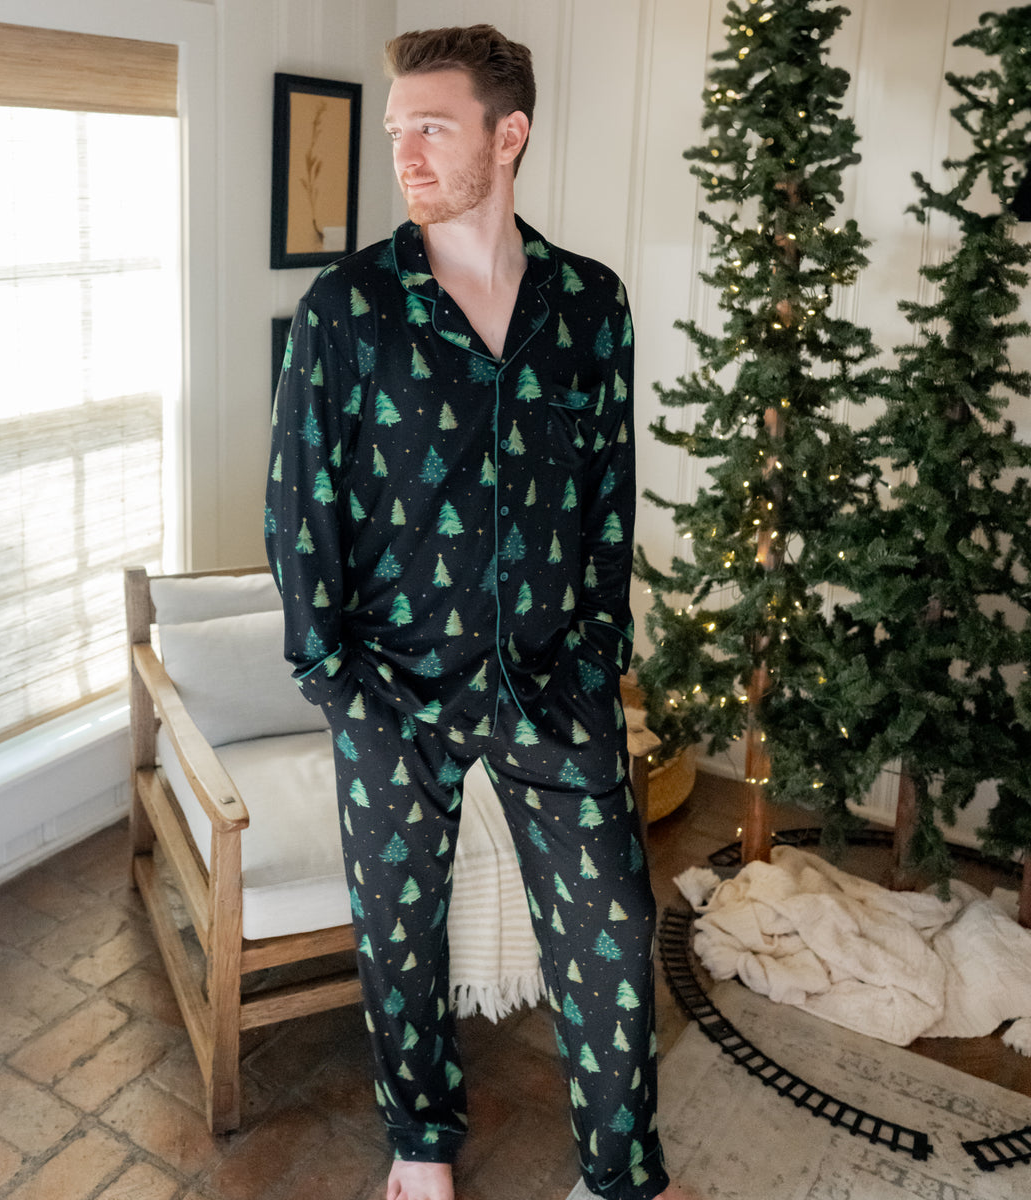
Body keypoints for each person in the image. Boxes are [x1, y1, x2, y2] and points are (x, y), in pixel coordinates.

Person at [266, 24, 689, 1200]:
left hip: (556, 682)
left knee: (611, 934)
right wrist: (337, 683)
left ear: (510, 135)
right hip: (395, 690)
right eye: (397, 127)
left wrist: (600, 652)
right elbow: (299, 508)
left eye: (431, 125)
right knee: (399, 943)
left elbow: (610, 495)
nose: (402, 149)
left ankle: (622, 1172)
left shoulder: (590, 308)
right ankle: (421, 1147)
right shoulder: (348, 311)